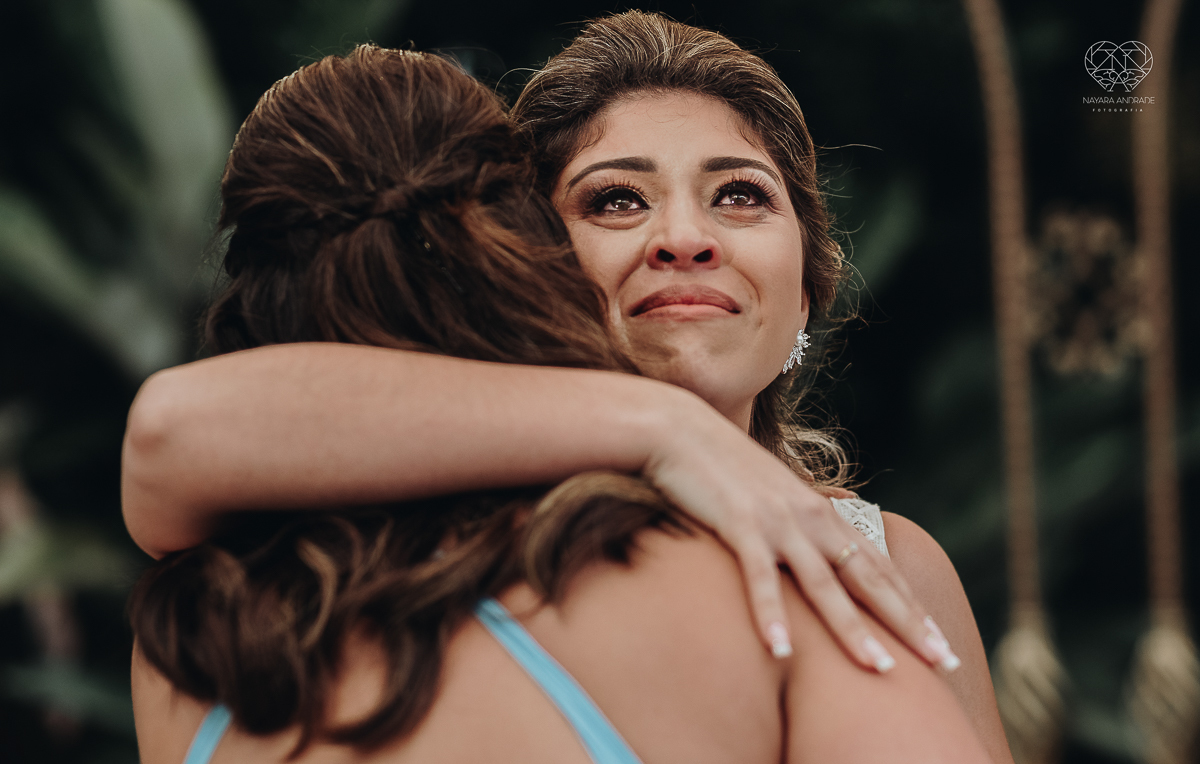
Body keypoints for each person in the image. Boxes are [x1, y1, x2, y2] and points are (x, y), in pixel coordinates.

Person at [122, 12, 1012, 762]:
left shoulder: (888, 562)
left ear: (811, 280)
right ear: (527, 264)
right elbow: (173, 430)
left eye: (740, 195)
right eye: (616, 200)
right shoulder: (514, 571)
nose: (685, 238)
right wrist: (661, 426)